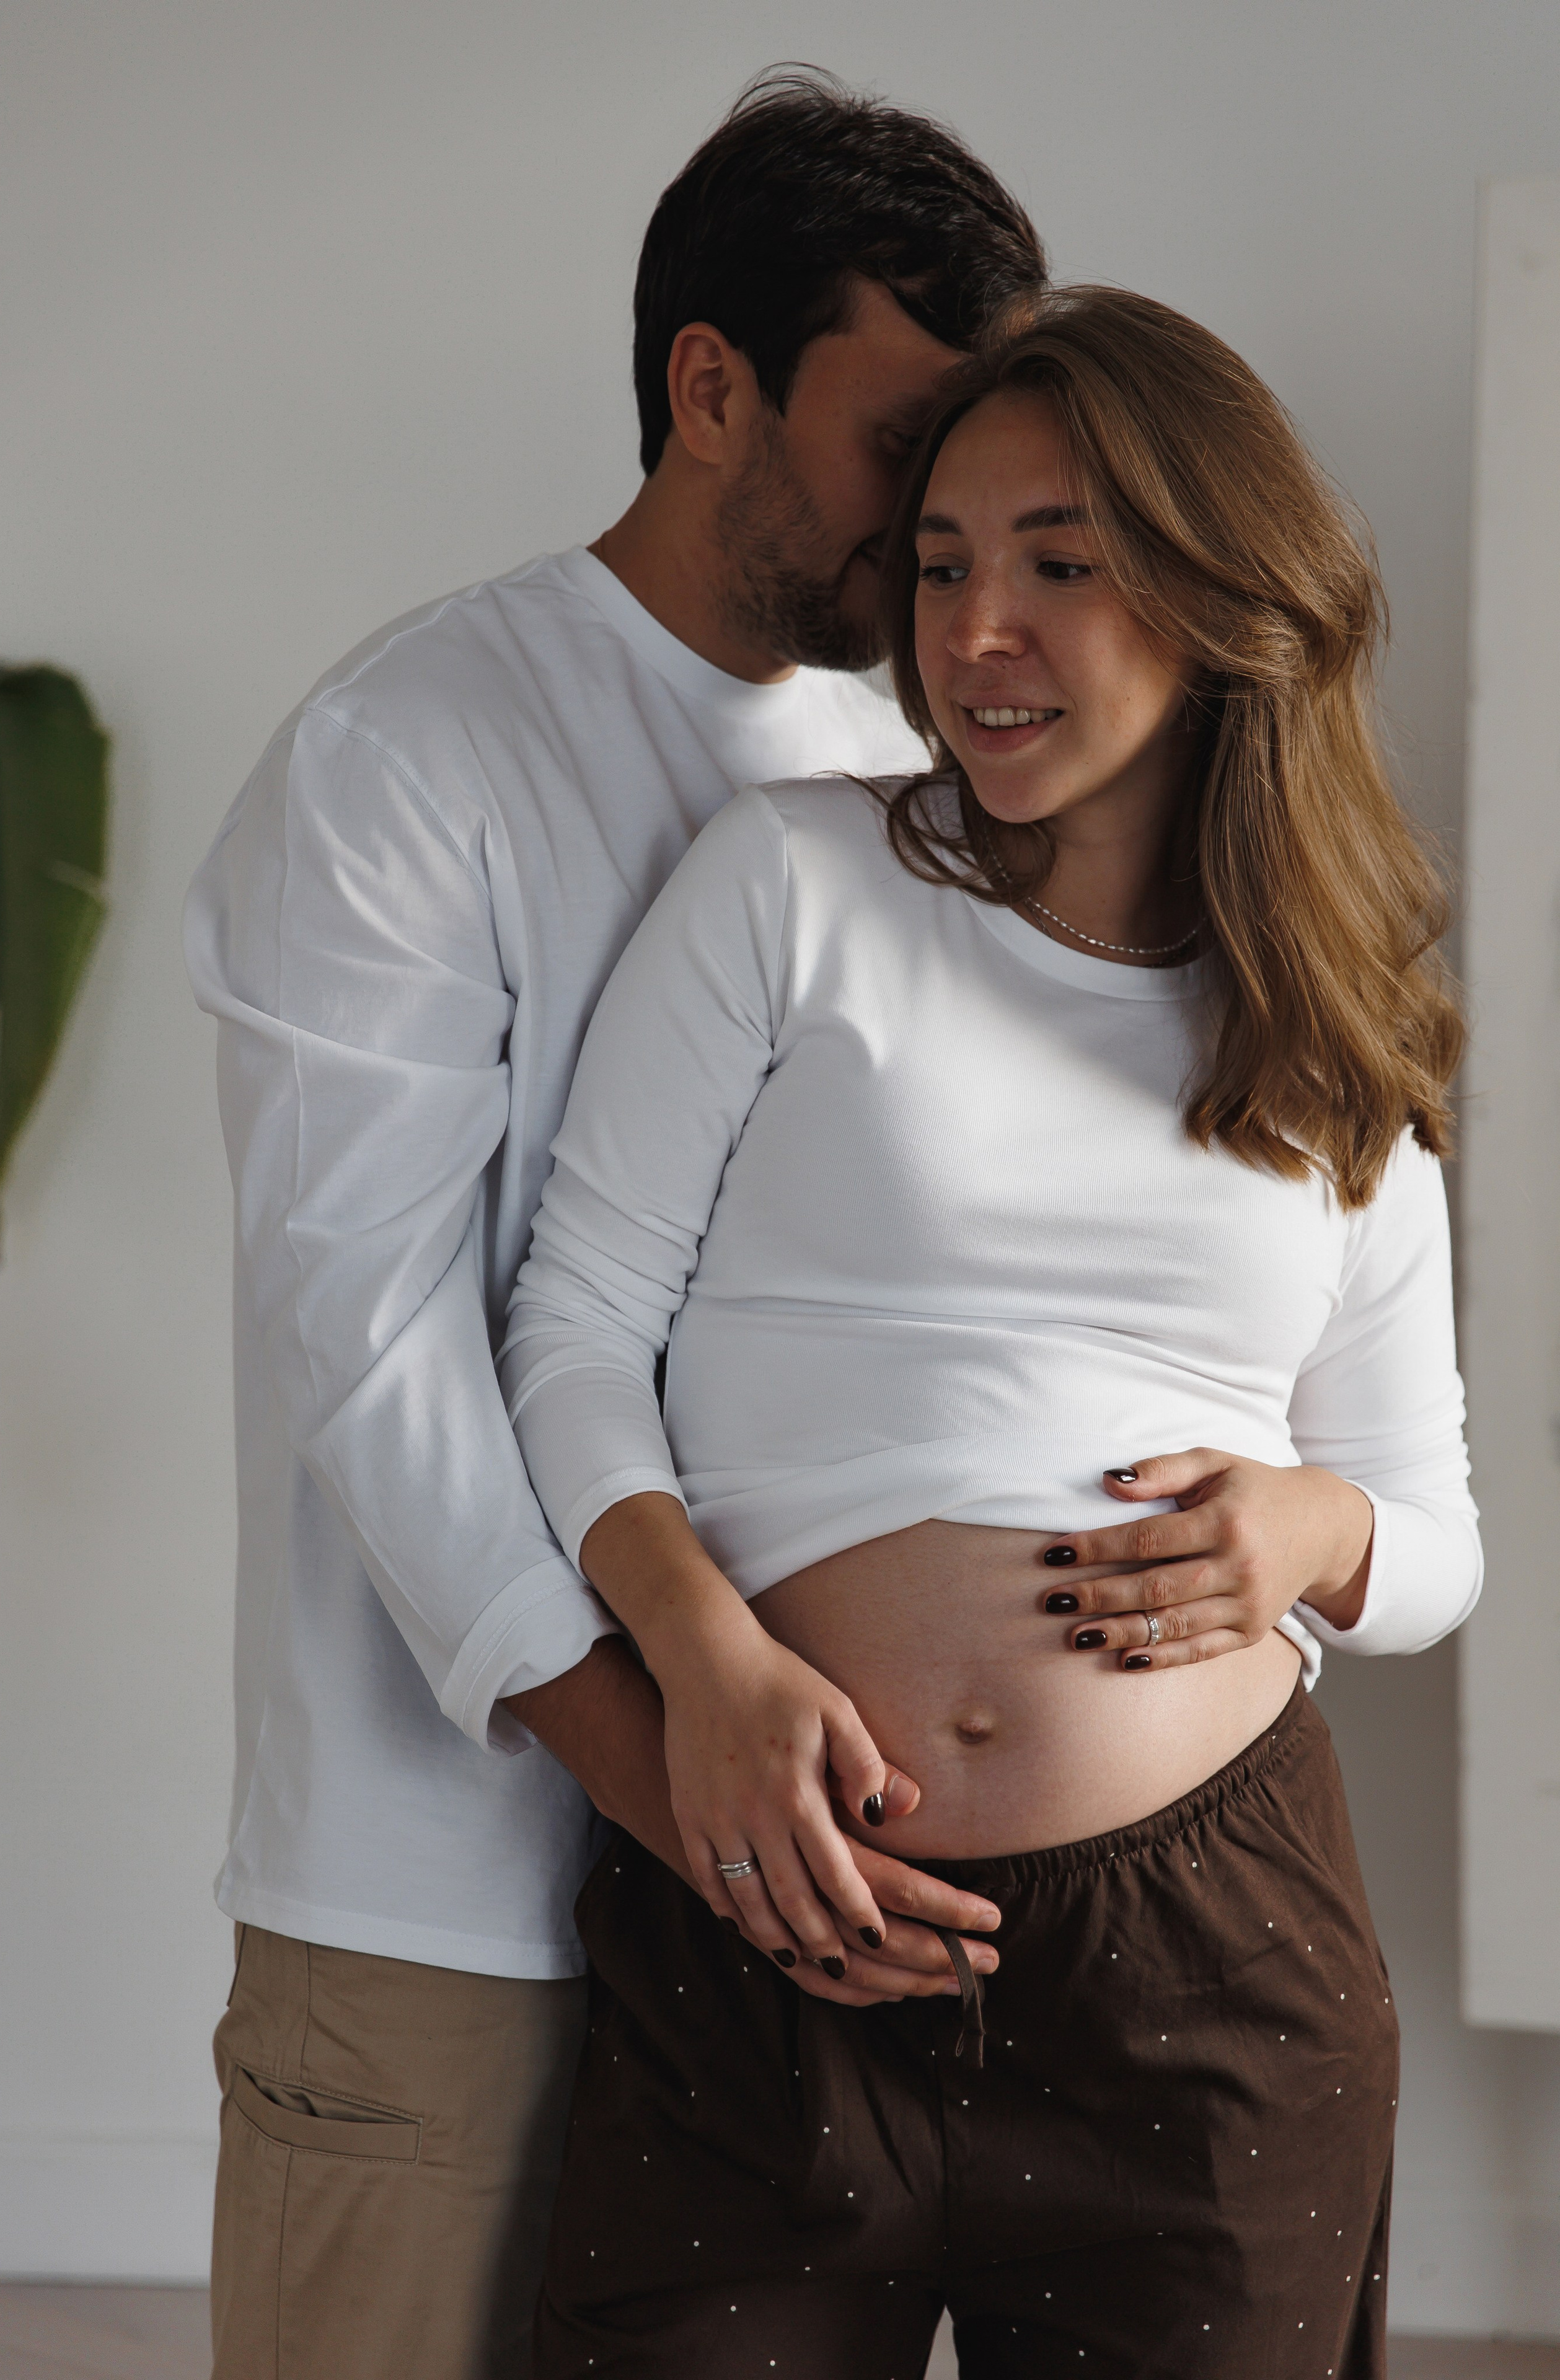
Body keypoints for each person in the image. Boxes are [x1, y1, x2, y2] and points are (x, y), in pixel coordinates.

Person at [502, 287, 1483, 2377]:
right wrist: (707, 1662)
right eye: (944, 563)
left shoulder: (1332, 1041)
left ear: (1221, 592)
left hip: (1207, 1983)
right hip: (769, 1925)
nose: (975, 632)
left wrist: (1310, 1535)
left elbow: (1434, 1539)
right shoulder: (792, 882)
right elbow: (573, 1323)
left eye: (1062, 562)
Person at [182, 69, 1048, 2380]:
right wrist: (691, 1796)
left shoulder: (915, 794)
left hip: (785, 1914)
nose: (946, 524)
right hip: (456, 1899)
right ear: (709, 391)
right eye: (903, 447)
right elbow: (376, 1352)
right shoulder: (412, 755)